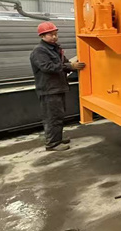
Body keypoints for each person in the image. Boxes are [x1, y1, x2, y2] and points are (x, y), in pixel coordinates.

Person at [30, 21, 85, 152]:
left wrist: (72, 65)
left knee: (58, 115)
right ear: (42, 36)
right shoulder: (39, 51)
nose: (54, 37)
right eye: (51, 35)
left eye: (55, 34)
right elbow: (47, 67)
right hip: (49, 89)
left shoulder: (55, 49)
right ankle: (53, 144)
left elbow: (64, 63)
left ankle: (57, 138)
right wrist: (70, 66)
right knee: (52, 117)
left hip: (57, 87)